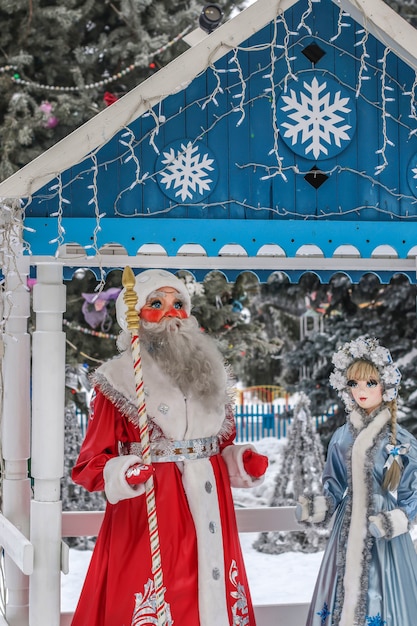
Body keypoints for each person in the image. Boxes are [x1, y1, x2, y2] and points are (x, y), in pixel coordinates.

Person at [71, 268, 268, 626]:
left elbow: (221, 443)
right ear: (135, 316)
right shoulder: (119, 379)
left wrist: (240, 460)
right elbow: (89, 463)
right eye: (157, 303)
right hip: (151, 507)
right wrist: (123, 472)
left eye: (179, 303)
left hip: (210, 505)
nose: (171, 312)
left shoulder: (210, 374)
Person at [296, 335, 417, 626]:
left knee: (381, 591)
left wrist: (394, 520)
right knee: (341, 587)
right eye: (354, 384)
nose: (361, 391)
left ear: (386, 386)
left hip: (384, 530)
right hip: (347, 526)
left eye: (370, 383)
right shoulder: (341, 436)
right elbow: (334, 483)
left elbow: (411, 492)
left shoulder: (399, 440)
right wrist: (321, 504)